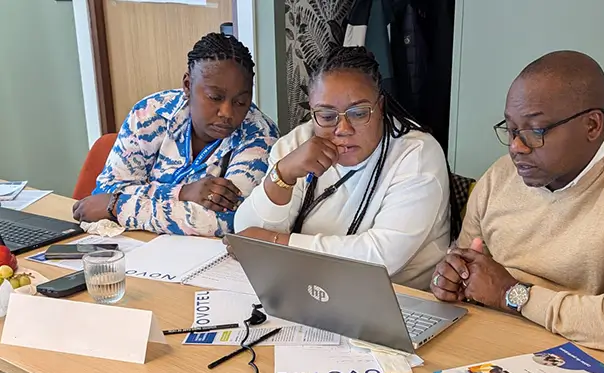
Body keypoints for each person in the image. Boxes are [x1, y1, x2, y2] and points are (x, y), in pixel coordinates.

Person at [430, 50, 604, 360]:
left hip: (581, 361)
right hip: (489, 346)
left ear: (592, 126)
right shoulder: (500, 176)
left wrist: (510, 294)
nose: (516, 147)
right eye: (511, 129)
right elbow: (467, 268)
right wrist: (450, 279)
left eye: (534, 131)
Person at [234, 46, 450, 289]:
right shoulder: (297, 144)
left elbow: (380, 259)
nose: (343, 128)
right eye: (327, 116)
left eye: (358, 113)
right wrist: (283, 174)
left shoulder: (417, 154)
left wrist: (278, 243)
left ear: (380, 107)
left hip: (399, 300)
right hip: (305, 288)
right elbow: (247, 236)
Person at [72, 33, 278, 237]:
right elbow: (106, 191)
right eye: (215, 97)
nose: (227, 112)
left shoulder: (260, 135)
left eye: (241, 102)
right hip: (136, 245)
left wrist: (117, 208)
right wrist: (182, 193)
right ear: (188, 86)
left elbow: (227, 221)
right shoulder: (151, 113)